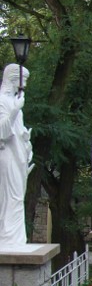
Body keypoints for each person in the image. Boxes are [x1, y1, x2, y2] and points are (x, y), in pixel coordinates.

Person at [0, 63, 32, 245]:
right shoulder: (3, 102)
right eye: (22, 81)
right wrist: (14, 110)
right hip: (7, 155)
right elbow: (2, 131)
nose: (24, 86)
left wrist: (26, 141)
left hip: (18, 155)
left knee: (18, 196)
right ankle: (8, 237)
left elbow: (18, 131)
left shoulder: (14, 102)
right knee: (11, 196)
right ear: (12, 80)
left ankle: (16, 239)